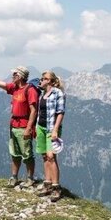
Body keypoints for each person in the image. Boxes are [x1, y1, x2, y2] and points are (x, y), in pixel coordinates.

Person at [34, 70, 65, 202]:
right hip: (40, 127)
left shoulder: (58, 93)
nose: (42, 80)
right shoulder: (42, 94)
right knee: (44, 156)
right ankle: (47, 184)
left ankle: (56, 187)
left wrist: (55, 130)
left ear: (51, 81)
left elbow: (60, 112)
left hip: (51, 128)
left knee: (51, 156)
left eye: (45, 78)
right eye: (42, 78)